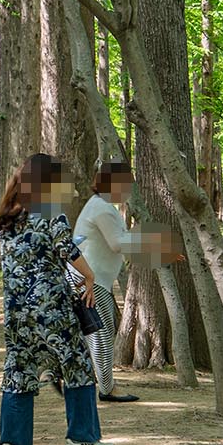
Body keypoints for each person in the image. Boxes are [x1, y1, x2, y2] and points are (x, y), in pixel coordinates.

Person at [0, 152, 112, 445]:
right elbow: (66, 249)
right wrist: (89, 275)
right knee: (78, 367)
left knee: (18, 371)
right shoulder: (50, 213)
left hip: (16, 311)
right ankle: (82, 442)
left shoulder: (7, 219)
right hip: (52, 308)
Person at [73, 161, 141, 404]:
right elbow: (117, 243)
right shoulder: (101, 208)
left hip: (94, 278)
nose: (129, 189)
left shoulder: (101, 206)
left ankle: (93, 380)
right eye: (126, 184)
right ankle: (107, 388)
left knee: (97, 331)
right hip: (91, 280)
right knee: (101, 332)